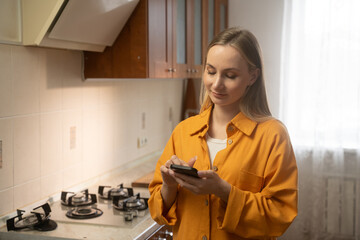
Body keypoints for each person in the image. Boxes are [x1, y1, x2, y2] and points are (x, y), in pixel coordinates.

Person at [148, 27, 298, 240]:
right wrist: (169, 185)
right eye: (210, 71)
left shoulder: (273, 136)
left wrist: (224, 191)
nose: (216, 84)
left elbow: (280, 215)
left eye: (230, 75)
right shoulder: (183, 131)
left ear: (252, 77)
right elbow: (157, 210)